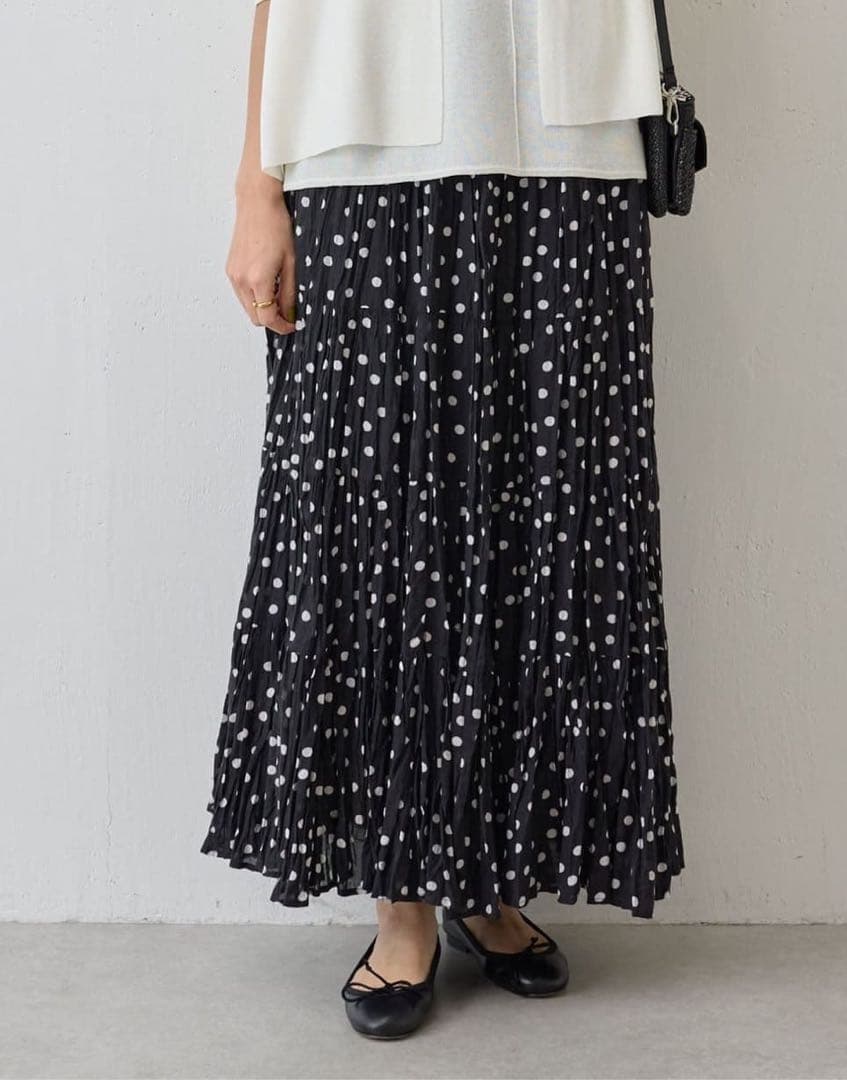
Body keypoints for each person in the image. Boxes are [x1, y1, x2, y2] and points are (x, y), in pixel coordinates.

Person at [201, 0, 685, 1039]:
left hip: (572, 153)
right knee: (377, 537)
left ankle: (485, 875)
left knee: (548, 528)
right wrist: (256, 187)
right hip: (361, 154)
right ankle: (403, 902)